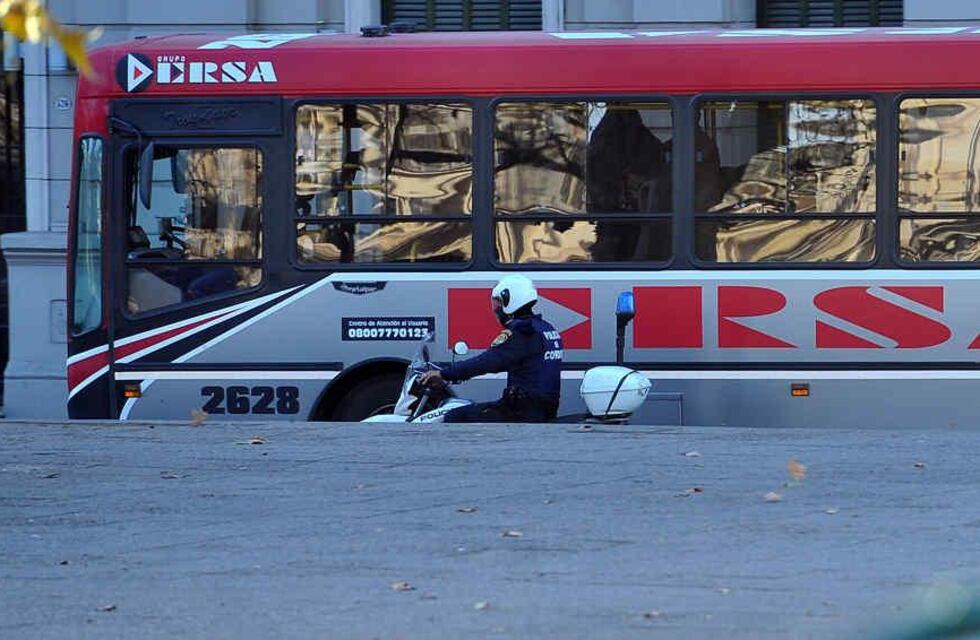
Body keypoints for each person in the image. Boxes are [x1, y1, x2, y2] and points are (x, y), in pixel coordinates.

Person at [421, 275, 563, 423]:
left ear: (511, 300)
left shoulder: (522, 333)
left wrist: (445, 373)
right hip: (541, 408)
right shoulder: (545, 328)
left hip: (521, 411)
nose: (495, 309)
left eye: (498, 303)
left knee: (454, 415)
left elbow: (485, 362)